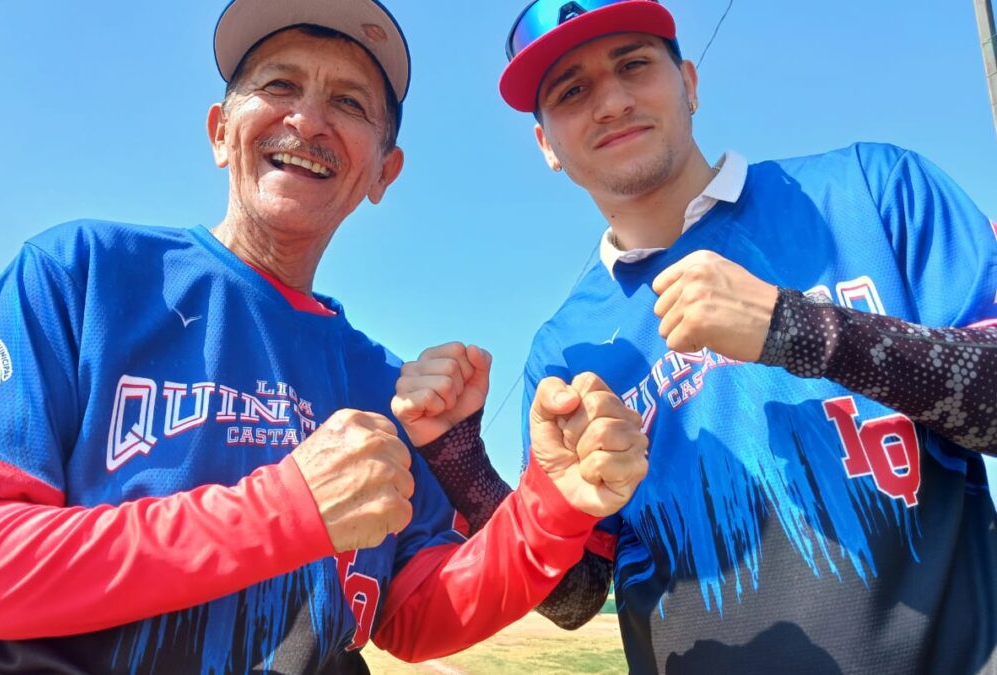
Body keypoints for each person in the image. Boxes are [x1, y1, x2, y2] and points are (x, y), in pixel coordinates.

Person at [0, 1, 650, 673]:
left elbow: (413, 613)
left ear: (382, 174)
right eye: (278, 85)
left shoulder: (379, 385)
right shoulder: (85, 276)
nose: (307, 119)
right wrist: (283, 512)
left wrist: (552, 504)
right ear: (218, 132)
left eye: (349, 102)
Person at [420, 0, 997, 672]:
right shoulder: (565, 348)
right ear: (546, 144)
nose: (610, 101)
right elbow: (579, 595)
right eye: (571, 90)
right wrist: (461, 463)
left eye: (633, 63)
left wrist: (795, 327)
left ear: (689, 82)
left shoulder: (872, 188)